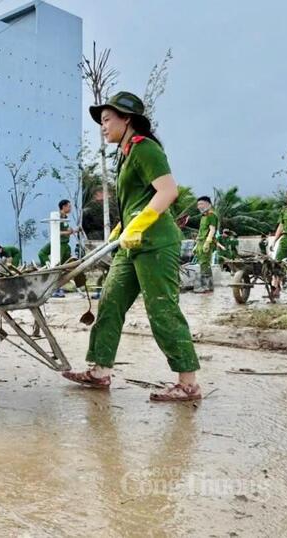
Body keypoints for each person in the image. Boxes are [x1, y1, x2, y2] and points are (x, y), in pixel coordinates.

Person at [62, 91, 201, 402]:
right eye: (101, 121)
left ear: (128, 120)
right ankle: (99, 371)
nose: (102, 125)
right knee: (110, 301)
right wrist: (121, 228)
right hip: (131, 244)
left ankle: (188, 383)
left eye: (107, 119)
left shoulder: (146, 149)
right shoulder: (124, 154)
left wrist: (137, 225)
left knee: (161, 308)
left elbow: (167, 192)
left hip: (156, 244)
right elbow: (135, 201)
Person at [193, 195, 218, 293]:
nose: (199, 206)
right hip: (200, 241)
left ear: (208, 204)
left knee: (205, 264)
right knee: (201, 264)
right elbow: (200, 231)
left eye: (201, 203)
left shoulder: (211, 215)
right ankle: (208, 286)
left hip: (206, 241)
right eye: (198, 204)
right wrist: (196, 245)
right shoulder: (203, 216)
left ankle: (206, 286)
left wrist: (207, 242)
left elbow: (212, 229)